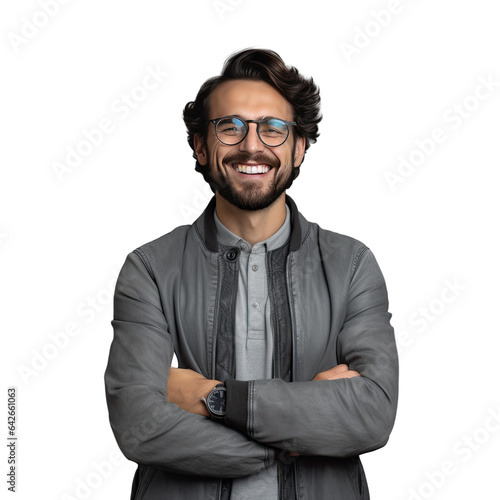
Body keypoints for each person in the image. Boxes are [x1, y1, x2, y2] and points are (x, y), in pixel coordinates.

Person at [104, 48, 399, 500]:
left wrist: (214, 398)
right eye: (230, 126)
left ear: (299, 147)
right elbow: (138, 425)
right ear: (201, 146)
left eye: (273, 128)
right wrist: (303, 430)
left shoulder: (351, 264)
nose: (251, 145)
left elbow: (373, 413)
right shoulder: (150, 268)